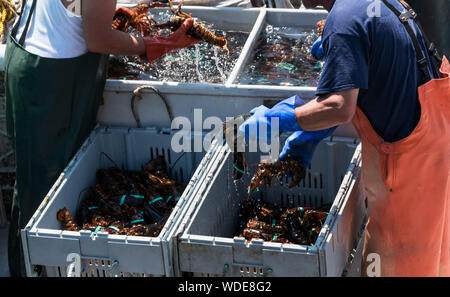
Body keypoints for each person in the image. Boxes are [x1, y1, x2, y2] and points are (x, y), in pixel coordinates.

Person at [239, 0, 449, 276]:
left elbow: (339, 106)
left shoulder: (344, 21)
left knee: (396, 266)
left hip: (408, 168)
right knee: (434, 255)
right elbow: (375, 82)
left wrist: (277, 121)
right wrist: (311, 134)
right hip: (435, 141)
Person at [5, 0, 199, 277]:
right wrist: (157, 44)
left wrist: (97, 14)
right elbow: (97, 39)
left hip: (25, 61)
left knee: (29, 183)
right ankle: (39, 270)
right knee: (49, 193)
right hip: (54, 81)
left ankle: (21, 268)